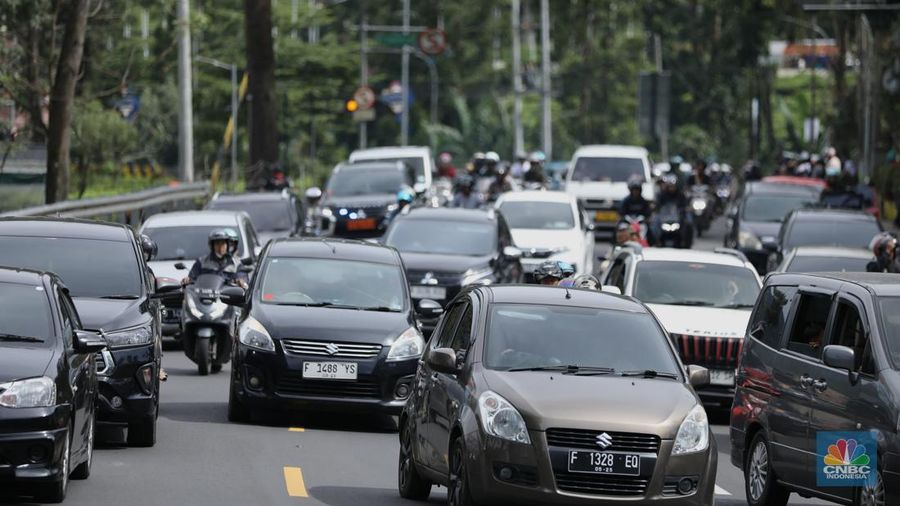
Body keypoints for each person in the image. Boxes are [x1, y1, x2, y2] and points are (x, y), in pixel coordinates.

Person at [182, 229, 248, 289]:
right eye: (217, 243)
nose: (220, 247)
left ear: (227, 245)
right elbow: (192, 279)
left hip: (228, 299)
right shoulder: (202, 262)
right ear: (212, 246)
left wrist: (240, 281)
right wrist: (188, 280)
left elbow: (242, 278)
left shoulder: (236, 263)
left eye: (223, 243)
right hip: (205, 297)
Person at [651, 173, 691, 245]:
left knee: (688, 222)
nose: (671, 188)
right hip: (664, 217)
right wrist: (655, 208)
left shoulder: (681, 195)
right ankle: (654, 241)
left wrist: (686, 209)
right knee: (654, 223)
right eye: (670, 186)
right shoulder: (661, 195)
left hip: (678, 216)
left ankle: (686, 241)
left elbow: (685, 205)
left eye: (673, 186)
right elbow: (657, 205)